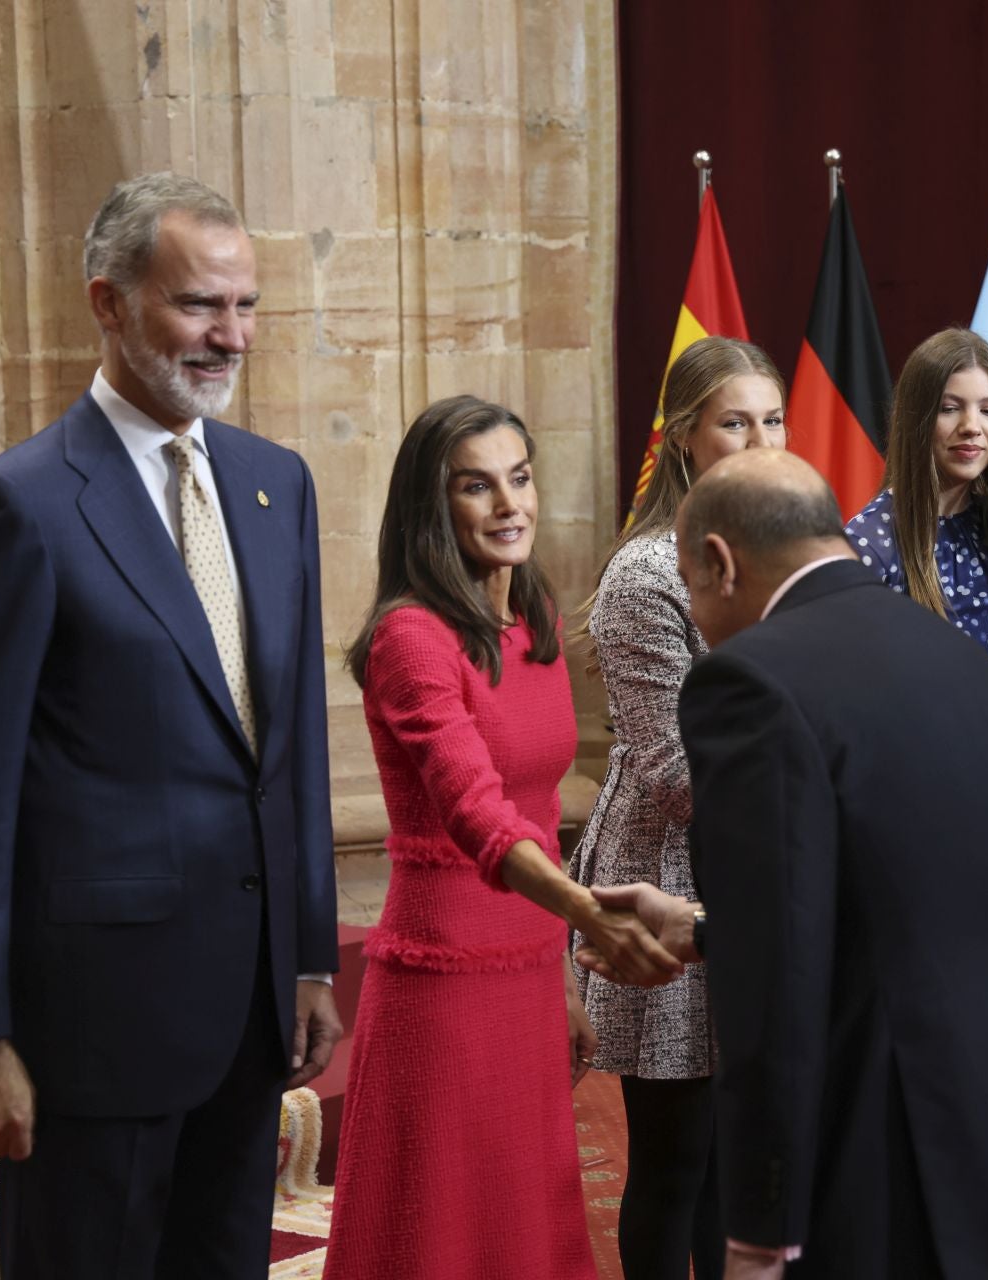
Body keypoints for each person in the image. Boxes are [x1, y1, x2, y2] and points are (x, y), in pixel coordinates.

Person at [0, 173, 343, 1276]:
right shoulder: (18, 506)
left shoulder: (273, 483)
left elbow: (288, 754)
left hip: (246, 1016)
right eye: (199, 304)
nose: (228, 335)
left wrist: (311, 954)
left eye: (246, 306)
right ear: (108, 302)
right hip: (90, 1027)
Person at [588, 449, 988, 1280]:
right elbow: (911, 891)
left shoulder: (748, 683)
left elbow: (774, 978)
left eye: (690, 583)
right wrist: (703, 929)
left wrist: (760, 1228)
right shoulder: (959, 656)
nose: (694, 605)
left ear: (720, 562)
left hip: (891, 1155)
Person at [322, 394, 680, 1279]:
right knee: (436, 1231)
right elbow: (476, 810)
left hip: (526, 964)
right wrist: (593, 917)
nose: (509, 504)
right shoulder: (412, 636)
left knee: (522, 1218)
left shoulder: (538, 616)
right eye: (477, 487)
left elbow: (534, 808)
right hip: (442, 976)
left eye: (518, 478)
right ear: (432, 506)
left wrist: (561, 969)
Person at [570, 335, 786, 1280]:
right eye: (734, 421)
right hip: (669, 867)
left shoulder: (786, 554)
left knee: (739, 1164)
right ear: (685, 437)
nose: (756, 439)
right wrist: (813, 820)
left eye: (771, 420)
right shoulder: (647, 574)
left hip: (763, 866)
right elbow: (672, 770)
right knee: (677, 1161)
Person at [845, 327, 988, 716]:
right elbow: (852, 699)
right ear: (916, 419)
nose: (973, 425)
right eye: (950, 408)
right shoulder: (866, 546)